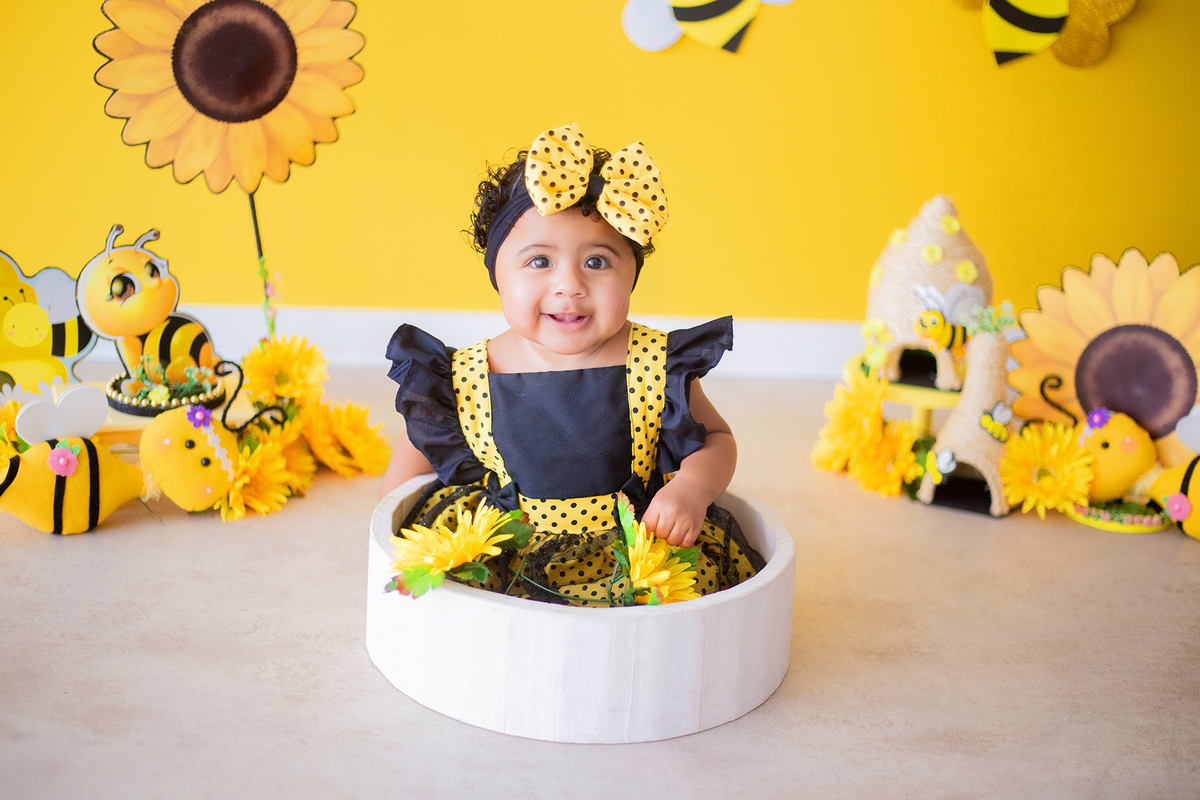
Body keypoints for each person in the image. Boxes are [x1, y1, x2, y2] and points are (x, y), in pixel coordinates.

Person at [380, 124, 762, 604]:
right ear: (498, 274)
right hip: (507, 547)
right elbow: (416, 450)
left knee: (671, 622)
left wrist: (691, 488)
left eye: (598, 263)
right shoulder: (468, 374)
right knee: (479, 616)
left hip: (636, 545)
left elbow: (718, 441)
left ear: (632, 273)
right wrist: (388, 523)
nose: (570, 284)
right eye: (539, 262)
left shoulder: (655, 364)